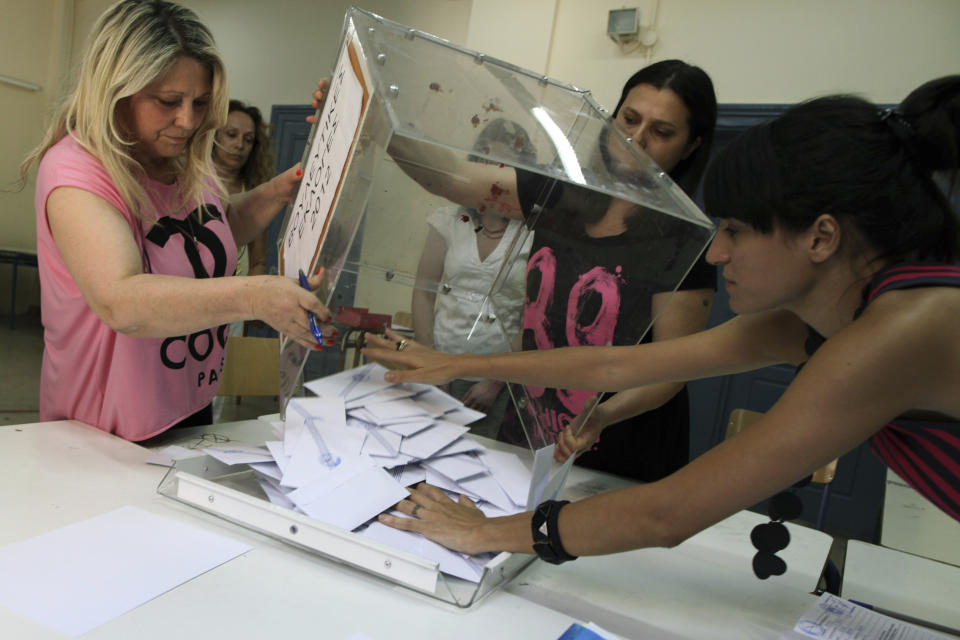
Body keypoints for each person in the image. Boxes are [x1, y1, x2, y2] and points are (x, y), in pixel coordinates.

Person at [363, 76, 960, 561]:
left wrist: (484, 533)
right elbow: (617, 361)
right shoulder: (826, 316)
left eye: (735, 231)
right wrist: (458, 362)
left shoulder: (899, 331)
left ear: (821, 237)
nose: (718, 251)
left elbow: (667, 513)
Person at [359, 60, 717, 482]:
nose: (635, 140)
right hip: (529, 431)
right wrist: (374, 119)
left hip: (616, 447)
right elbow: (450, 179)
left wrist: (599, 415)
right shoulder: (560, 194)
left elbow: (670, 371)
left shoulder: (685, 241)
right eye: (629, 119)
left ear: (691, 146)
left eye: (661, 132)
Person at [18, 0, 331, 442]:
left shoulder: (182, 158)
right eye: (168, 101)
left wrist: (283, 189)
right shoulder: (76, 170)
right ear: (115, 89)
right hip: (104, 431)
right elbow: (121, 301)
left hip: (188, 405)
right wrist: (256, 297)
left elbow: (210, 235)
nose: (187, 121)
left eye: (200, 102)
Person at [412, 118, 537, 439]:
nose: (491, 173)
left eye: (503, 165)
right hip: (441, 365)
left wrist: (496, 381)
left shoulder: (534, 234)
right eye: (483, 161)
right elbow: (423, 292)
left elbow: (535, 318)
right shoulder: (449, 220)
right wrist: (431, 361)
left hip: (500, 379)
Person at [212, 99, 274, 278]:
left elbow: (258, 262)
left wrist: (248, 299)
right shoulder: (189, 180)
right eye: (231, 134)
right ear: (214, 135)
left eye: (248, 140)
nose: (239, 145)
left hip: (228, 293)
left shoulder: (254, 194)